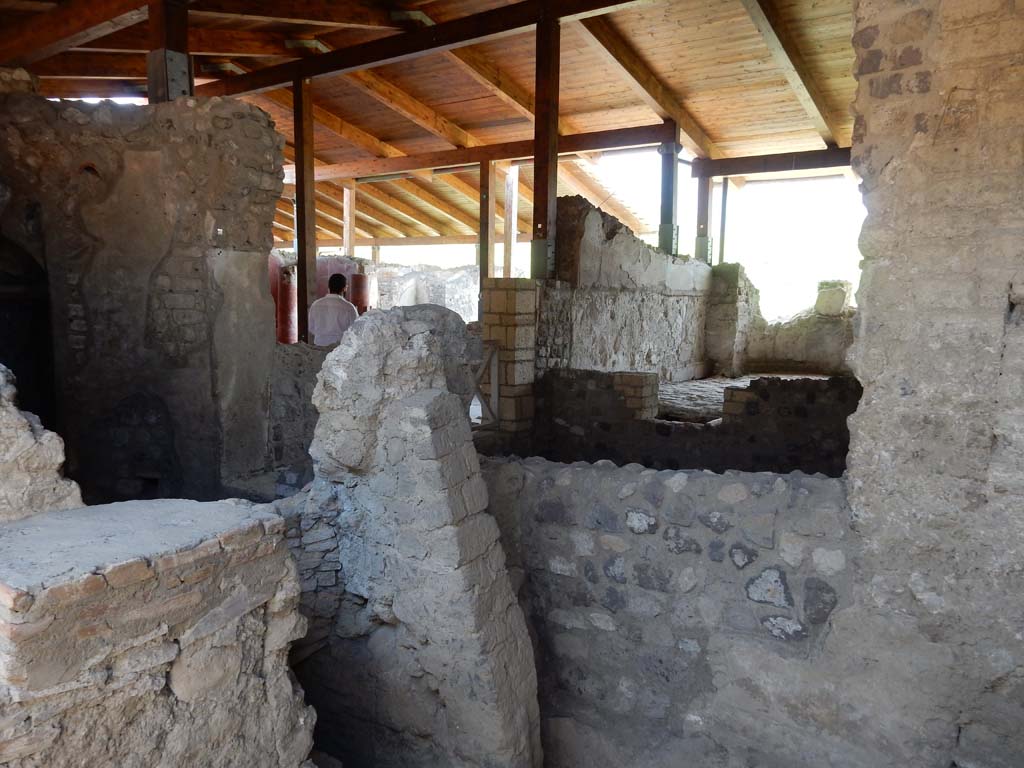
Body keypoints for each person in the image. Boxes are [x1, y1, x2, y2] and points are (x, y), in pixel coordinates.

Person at [308, 273, 359, 346]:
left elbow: (311, 328)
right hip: (339, 349)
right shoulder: (349, 307)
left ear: (328, 287)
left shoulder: (315, 304)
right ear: (344, 288)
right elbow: (355, 330)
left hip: (319, 347)